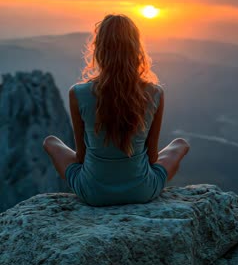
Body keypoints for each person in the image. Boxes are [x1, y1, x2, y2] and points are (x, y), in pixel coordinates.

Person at [43, 14, 190, 206]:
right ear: (136, 50)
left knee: (50, 142)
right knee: (180, 144)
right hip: (142, 191)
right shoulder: (155, 93)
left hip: (93, 193)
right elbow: (153, 158)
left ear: (99, 50)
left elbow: (81, 156)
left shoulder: (78, 93)